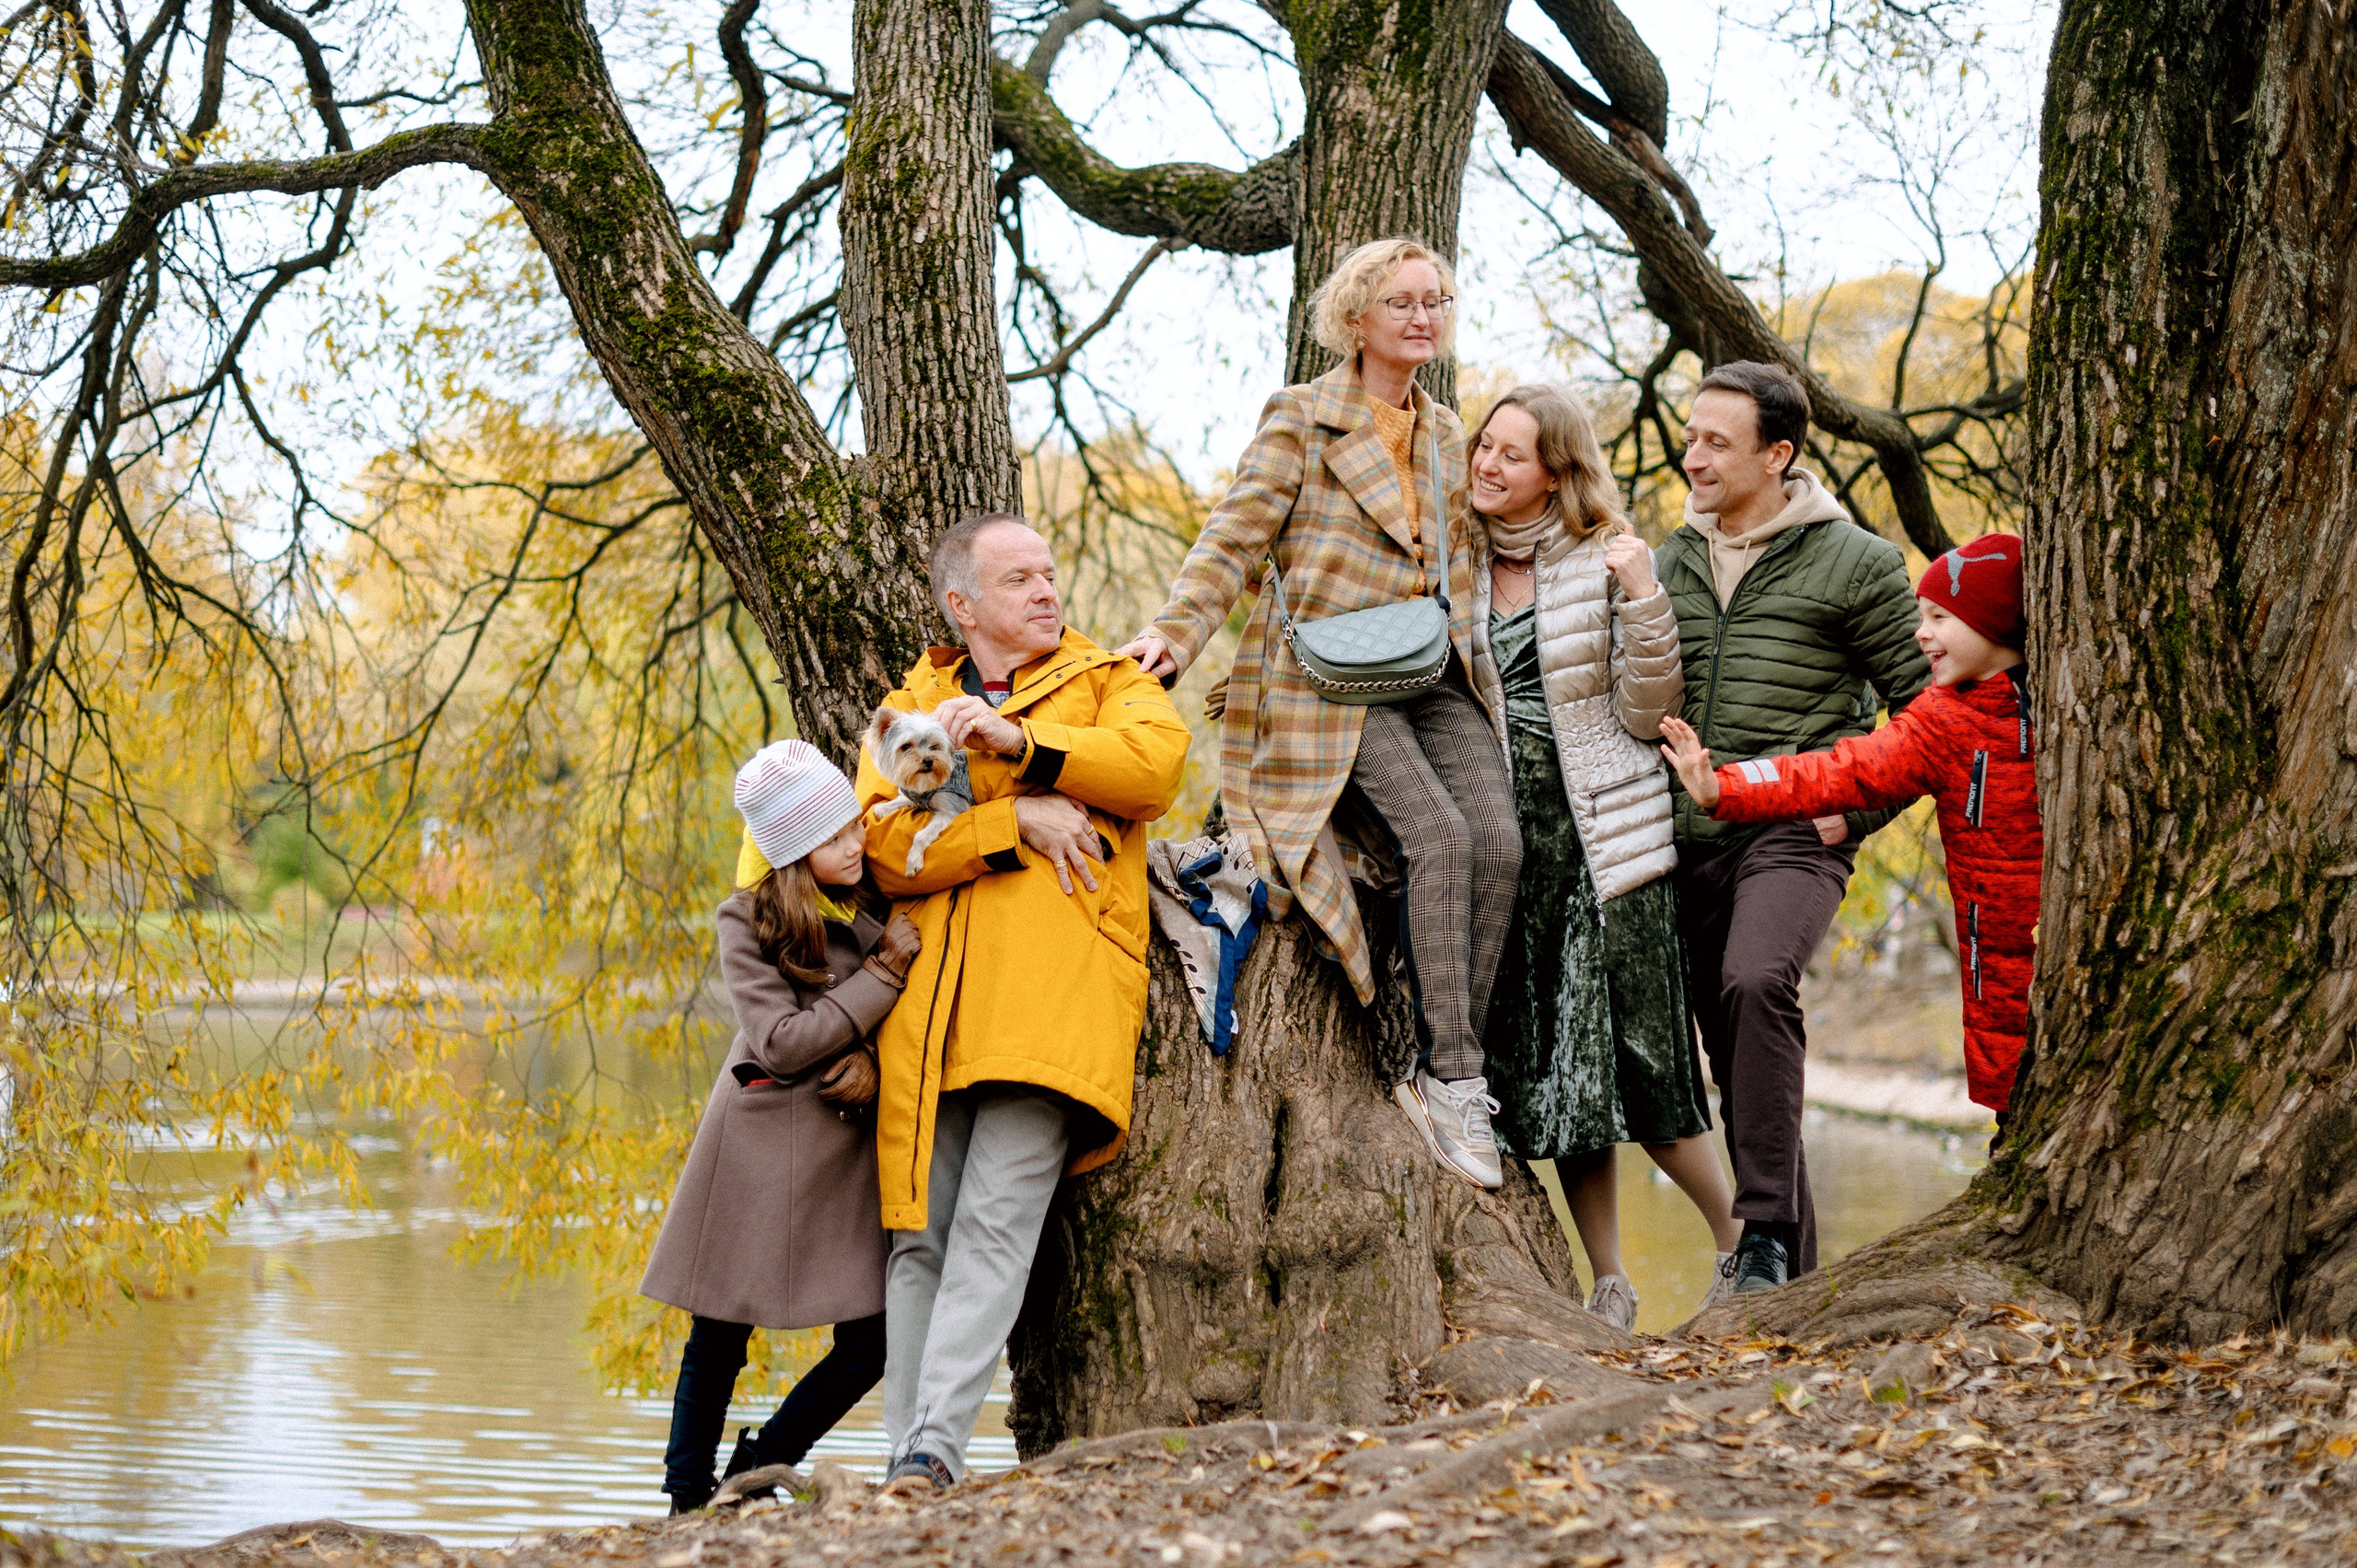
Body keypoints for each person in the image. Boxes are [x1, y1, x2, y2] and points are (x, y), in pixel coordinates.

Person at [1118, 237, 1521, 1191]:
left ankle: (1459, 1060)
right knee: (1436, 834)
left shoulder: (1449, 432)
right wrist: (1175, 633)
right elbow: (1234, 534)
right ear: (1356, 318)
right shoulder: (1302, 416)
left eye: (1438, 302)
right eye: (1403, 303)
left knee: (1499, 838)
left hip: (1428, 667)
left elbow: (1479, 550)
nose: (1424, 318)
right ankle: (1452, 1076)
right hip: (1327, 676)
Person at [861, 512, 1190, 1494]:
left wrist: (1025, 743)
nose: (1047, 590)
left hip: (1051, 1002)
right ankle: (901, 1462)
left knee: (996, 1226)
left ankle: (934, 1451)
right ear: (962, 605)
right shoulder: (910, 702)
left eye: (1049, 571)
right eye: (1019, 579)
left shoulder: (1109, 680)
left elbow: (1155, 770)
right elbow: (877, 844)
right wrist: (1011, 820)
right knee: (919, 1236)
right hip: (934, 1016)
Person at [1465, 383, 1740, 1330]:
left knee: (1647, 1064)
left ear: (1555, 470)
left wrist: (1642, 594)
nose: (1488, 465)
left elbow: (1642, 706)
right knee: (1564, 1080)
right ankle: (1612, 1282)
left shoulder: (1603, 557)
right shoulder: (1454, 565)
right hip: (1513, 860)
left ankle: (1744, 1241)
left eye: (1511, 453)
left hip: (1607, 846)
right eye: (1482, 448)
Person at [1656, 360, 1931, 1296]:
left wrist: (1857, 807)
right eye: (1689, 435)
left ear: (1777, 454)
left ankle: (1762, 1231)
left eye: (1714, 442)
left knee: (1756, 977)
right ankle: (1787, 1286)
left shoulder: (1854, 562)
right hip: (1686, 839)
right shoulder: (1669, 558)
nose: (1691, 455)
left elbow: (1931, 714)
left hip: (1792, 828)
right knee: (1735, 1060)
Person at [1660, 532, 2038, 1141]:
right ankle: (2012, 1137)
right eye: (1919, 616)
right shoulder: (1940, 721)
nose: (1922, 633)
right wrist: (1722, 788)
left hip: (2082, 935)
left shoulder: (2065, 699)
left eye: (1940, 617)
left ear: (1990, 619)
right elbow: (1834, 769)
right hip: (1992, 945)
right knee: (2016, 1077)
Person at [640, 738, 922, 1513]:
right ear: (795, 853)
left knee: (874, 1337)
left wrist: (875, 1059)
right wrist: (882, 976)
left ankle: (762, 1464)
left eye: (853, 824)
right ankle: (687, 1498)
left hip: (845, 1148)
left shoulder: (874, 892)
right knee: (718, 1333)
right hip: (762, 1140)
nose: (857, 841)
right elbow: (783, 1040)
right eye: (834, 838)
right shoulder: (746, 919)